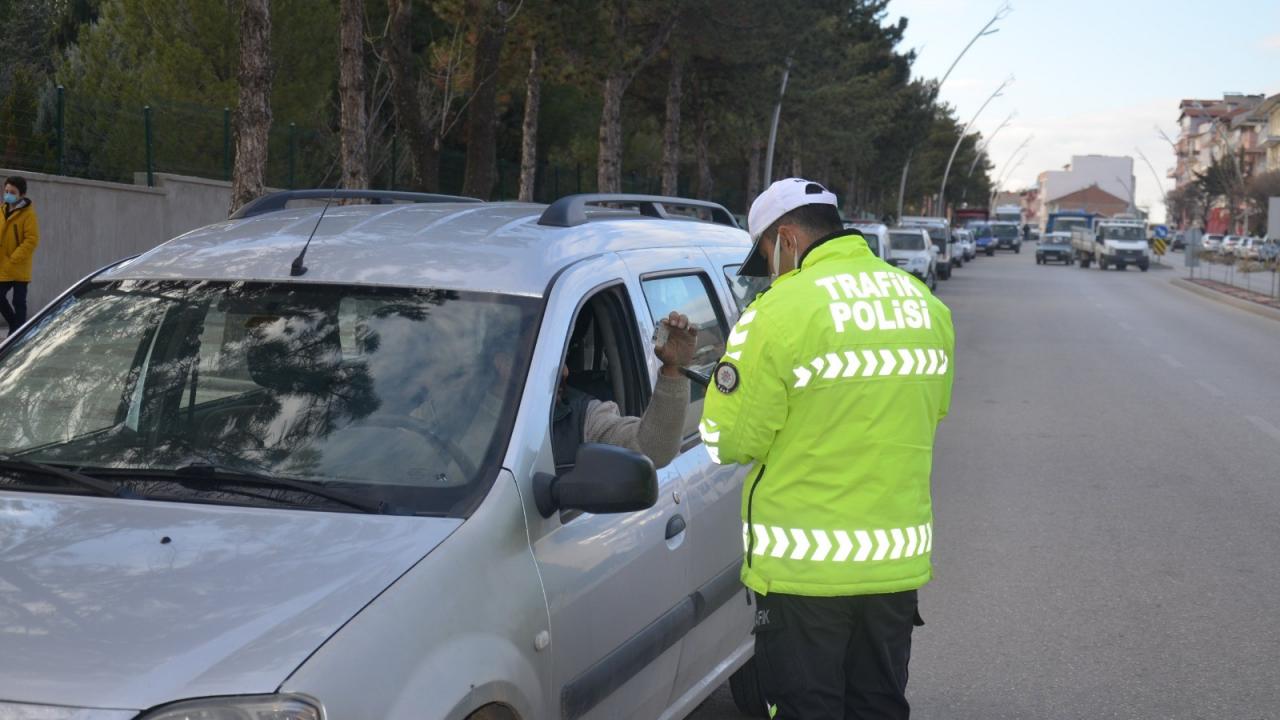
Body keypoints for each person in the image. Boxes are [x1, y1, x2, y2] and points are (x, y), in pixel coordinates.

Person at [700, 178, 954, 719]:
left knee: (805, 709)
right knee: (879, 706)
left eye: (766, 254)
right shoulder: (924, 305)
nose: (768, 267)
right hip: (894, 566)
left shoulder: (776, 313)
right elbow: (931, 412)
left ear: (787, 239)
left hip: (804, 573)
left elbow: (728, 440)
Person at [0, 176, 40, 335]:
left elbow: (32, 240)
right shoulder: (2, 211)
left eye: (12, 192)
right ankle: (16, 327)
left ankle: (18, 333)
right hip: (4, 265)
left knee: (19, 301)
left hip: (19, 265)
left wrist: (15, 257)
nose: (8, 194)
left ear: (21, 194)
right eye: (6, 190)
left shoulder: (28, 214)